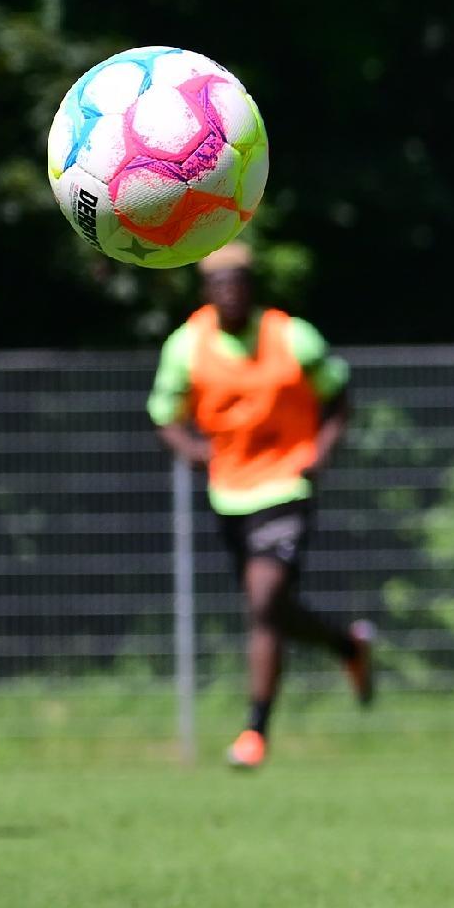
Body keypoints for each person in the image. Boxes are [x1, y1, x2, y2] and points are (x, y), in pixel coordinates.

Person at [150, 245, 376, 768]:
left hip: (286, 487)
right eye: (219, 283)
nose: (229, 291)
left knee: (264, 601)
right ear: (206, 293)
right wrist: (195, 452)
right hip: (229, 493)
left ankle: (255, 731)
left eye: (239, 282)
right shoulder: (186, 345)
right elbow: (164, 416)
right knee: (273, 610)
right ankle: (348, 647)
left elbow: (339, 395)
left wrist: (321, 453)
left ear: (251, 287)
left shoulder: (293, 336)